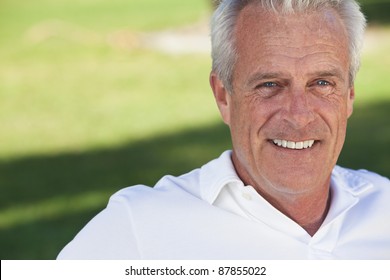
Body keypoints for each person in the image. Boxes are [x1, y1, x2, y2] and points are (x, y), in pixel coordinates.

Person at [57, 0, 390, 259]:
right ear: (223, 97)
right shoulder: (138, 229)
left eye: (321, 83)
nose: (299, 115)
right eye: (270, 84)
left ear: (348, 96)